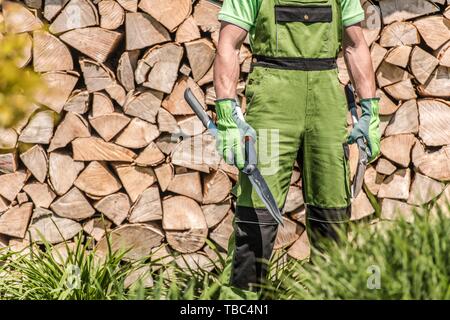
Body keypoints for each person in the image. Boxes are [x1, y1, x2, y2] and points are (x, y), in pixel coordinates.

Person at [213, 0, 381, 293]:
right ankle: (240, 300)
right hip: (271, 102)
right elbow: (228, 43)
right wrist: (228, 114)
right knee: (257, 216)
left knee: (332, 211)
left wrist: (369, 110)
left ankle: (330, 292)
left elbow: (355, 44)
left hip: (326, 101)